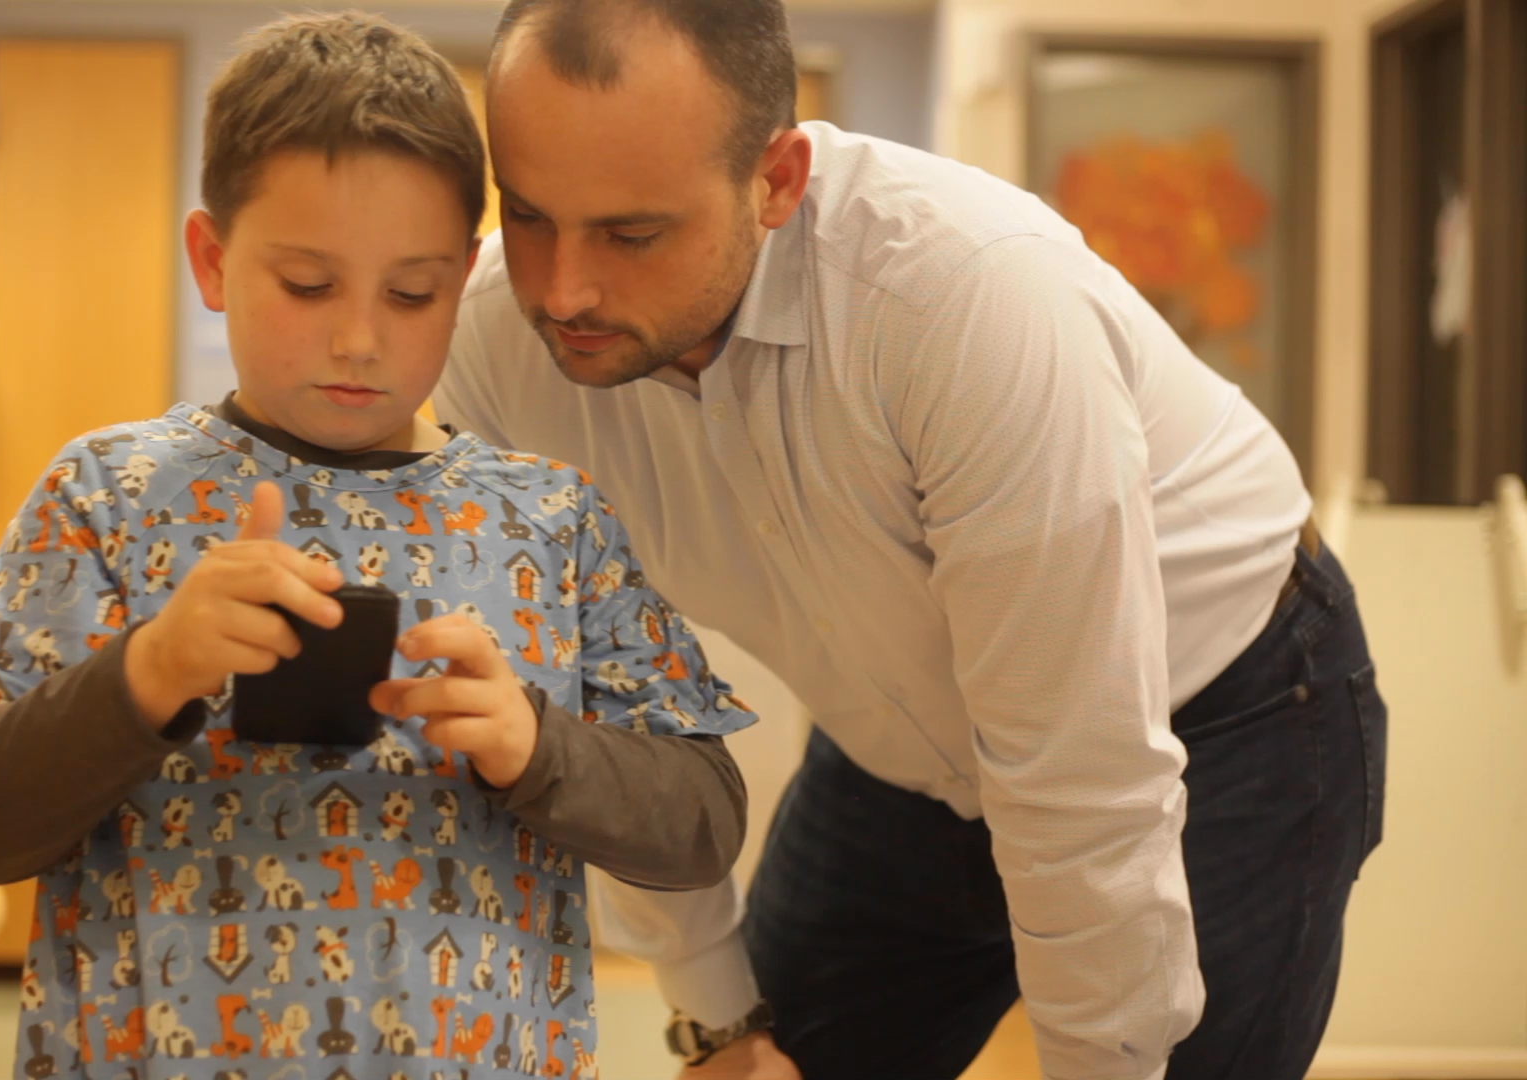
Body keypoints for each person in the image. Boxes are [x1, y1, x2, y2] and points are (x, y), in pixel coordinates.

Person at [435, 2, 1389, 1078]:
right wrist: (716, 1022)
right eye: (527, 216)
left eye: (632, 233)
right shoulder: (496, 342)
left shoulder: (964, 301)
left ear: (778, 181)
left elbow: (1079, 777)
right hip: (892, 736)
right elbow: (611, 715)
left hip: (1224, 704)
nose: (563, 291)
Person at [0, 14, 755, 1078]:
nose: (360, 339)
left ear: (464, 276)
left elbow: (702, 823)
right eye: (308, 285)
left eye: (413, 293)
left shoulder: (552, 525)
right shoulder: (107, 497)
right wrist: (151, 671)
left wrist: (536, 745)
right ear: (213, 260)